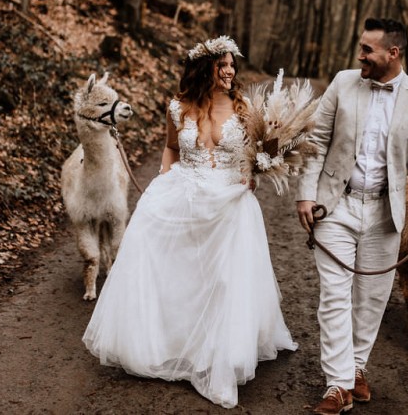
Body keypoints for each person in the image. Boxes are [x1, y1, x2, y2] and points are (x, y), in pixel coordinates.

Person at [83, 35, 297, 409]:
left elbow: (261, 149)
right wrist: (164, 175)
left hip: (229, 198)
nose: (230, 71)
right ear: (204, 69)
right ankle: (172, 341)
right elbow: (171, 148)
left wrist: (257, 171)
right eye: (223, 64)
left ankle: (221, 350)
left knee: (225, 277)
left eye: (233, 65)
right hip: (186, 189)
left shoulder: (245, 107)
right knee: (173, 264)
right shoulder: (178, 108)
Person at [295, 18, 408, 414]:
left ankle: (356, 366)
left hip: (384, 213)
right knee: (334, 296)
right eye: (360, 47)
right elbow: (316, 140)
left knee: (371, 299)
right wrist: (307, 194)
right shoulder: (343, 83)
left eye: (368, 50)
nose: (360, 55)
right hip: (335, 205)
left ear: (393, 53)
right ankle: (338, 385)